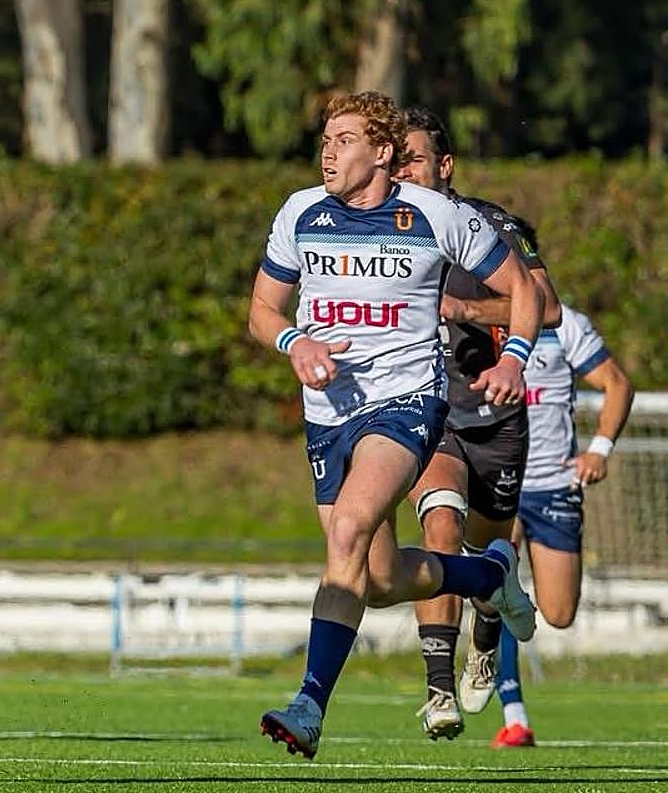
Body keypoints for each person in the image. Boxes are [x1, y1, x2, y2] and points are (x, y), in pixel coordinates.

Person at [249, 90, 541, 760]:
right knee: (374, 579)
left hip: (406, 404)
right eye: (325, 138)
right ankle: (485, 580)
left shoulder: (436, 215)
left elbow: (523, 290)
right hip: (327, 416)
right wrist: (294, 342)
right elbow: (262, 309)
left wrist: (516, 359)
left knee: (346, 533)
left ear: (382, 153)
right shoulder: (300, 213)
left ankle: (309, 706)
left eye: (345, 139)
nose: (328, 150)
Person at [395, 106, 562, 740]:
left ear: (445, 165)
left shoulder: (492, 226)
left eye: (412, 158)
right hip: (425, 411)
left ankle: (486, 628)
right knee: (440, 524)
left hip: (495, 414)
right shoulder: (387, 232)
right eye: (396, 159)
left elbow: (546, 305)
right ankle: (438, 687)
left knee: (489, 546)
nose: (401, 170)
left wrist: (468, 305)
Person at [488, 296, 634, 747]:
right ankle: (514, 716)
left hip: (554, 486)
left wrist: (600, 449)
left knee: (559, 612)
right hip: (497, 483)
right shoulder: (472, 322)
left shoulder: (565, 323)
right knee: (496, 585)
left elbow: (616, 384)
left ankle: (505, 605)